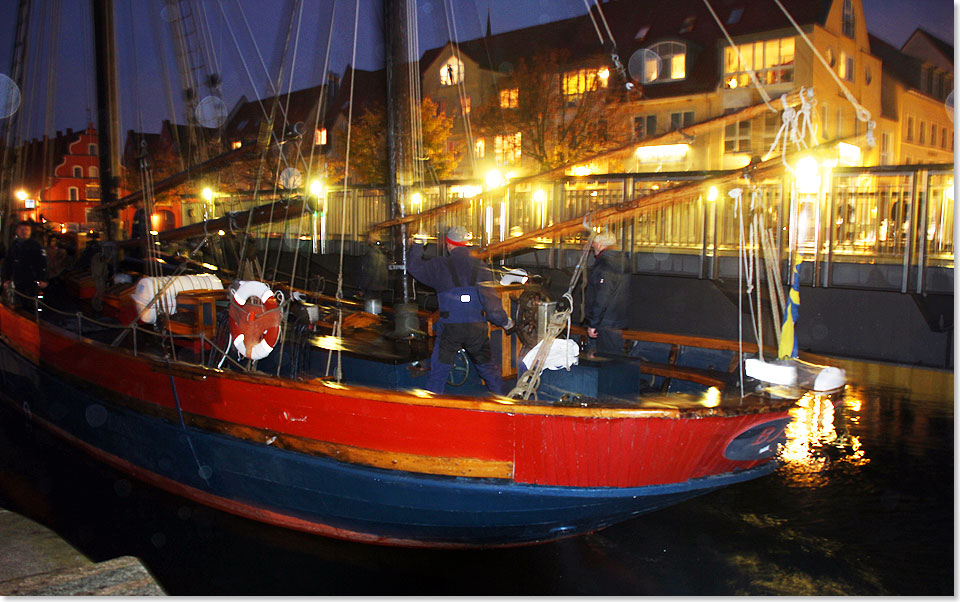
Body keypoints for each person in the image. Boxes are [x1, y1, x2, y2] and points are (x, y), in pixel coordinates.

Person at [407, 226, 514, 395]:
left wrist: (419, 243)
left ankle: (431, 411)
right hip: (476, 328)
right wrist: (505, 322)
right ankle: (508, 408)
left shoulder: (439, 265)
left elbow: (413, 267)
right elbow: (491, 305)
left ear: (449, 245)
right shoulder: (481, 266)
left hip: (450, 329)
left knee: (438, 374)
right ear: (466, 244)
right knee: (490, 372)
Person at [584, 229, 629, 355]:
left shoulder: (604, 265)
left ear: (599, 244)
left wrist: (593, 323)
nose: (592, 246)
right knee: (612, 358)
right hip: (616, 319)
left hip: (604, 322)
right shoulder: (622, 261)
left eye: (593, 243)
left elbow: (602, 296)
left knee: (603, 358)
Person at [2, 220, 48, 309]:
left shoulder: (36, 245)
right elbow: (8, 262)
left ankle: (36, 317)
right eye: (21, 229)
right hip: (18, 279)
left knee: (35, 303)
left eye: (26, 230)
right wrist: (6, 278)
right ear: (17, 231)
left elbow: (43, 263)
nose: (24, 232)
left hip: (33, 280)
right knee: (19, 302)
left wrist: (43, 279)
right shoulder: (14, 245)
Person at [357, 230, 389, 304]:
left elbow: (368, 272)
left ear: (370, 239)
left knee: (369, 308)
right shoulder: (382, 252)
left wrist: (362, 289)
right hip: (380, 287)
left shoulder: (371, 253)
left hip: (370, 287)